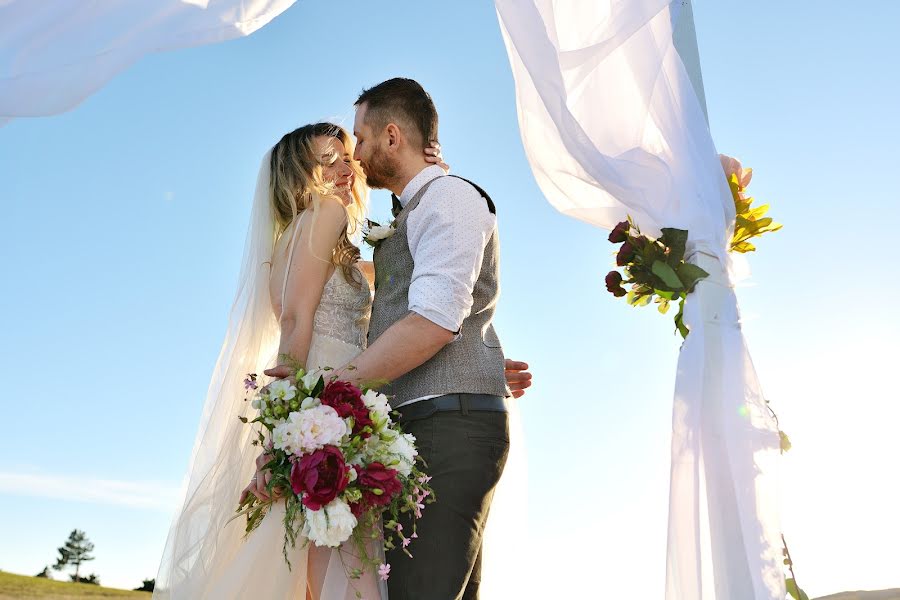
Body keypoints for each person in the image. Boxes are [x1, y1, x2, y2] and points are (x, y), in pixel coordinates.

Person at [155, 120, 531, 599]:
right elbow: (296, 322)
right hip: (338, 406)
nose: (344, 169)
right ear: (296, 174)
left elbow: (403, 291)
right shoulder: (327, 213)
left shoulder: (297, 242)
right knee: (349, 564)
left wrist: (470, 354)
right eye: (326, 161)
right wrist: (298, 409)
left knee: (326, 558)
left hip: (337, 403)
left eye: (347, 156)